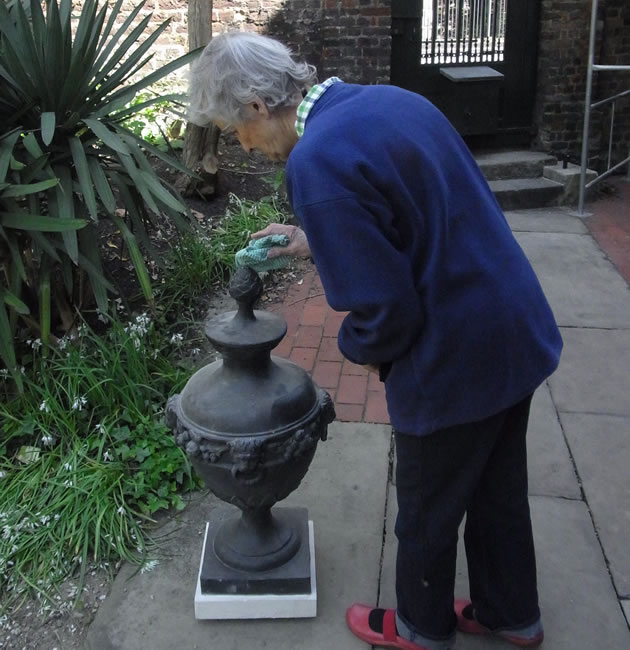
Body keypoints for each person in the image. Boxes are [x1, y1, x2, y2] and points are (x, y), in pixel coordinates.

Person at [188, 31, 562, 650]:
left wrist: (357, 348)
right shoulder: (387, 100)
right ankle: (511, 612)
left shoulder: (316, 162)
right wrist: (314, 237)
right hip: (513, 326)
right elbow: (407, 211)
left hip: (454, 355)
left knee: (426, 509)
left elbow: (386, 312)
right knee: (499, 489)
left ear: (256, 104)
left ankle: (419, 628)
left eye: (235, 131)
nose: (245, 148)